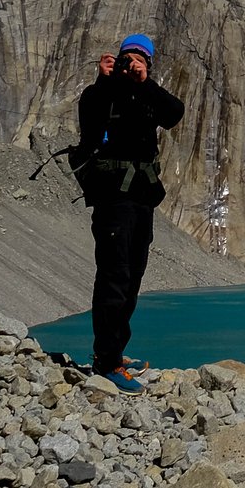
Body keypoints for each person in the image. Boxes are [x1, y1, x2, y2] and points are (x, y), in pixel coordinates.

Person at [69, 33, 183, 387]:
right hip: (113, 201)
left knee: (132, 277)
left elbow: (174, 113)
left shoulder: (149, 94)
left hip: (141, 200)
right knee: (114, 278)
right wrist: (103, 81)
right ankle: (106, 362)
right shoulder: (101, 94)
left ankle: (116, 353)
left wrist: (144, 83)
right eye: (127, 57)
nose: (132, 63)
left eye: (140, 58)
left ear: (149, 63)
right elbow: (89, 124)